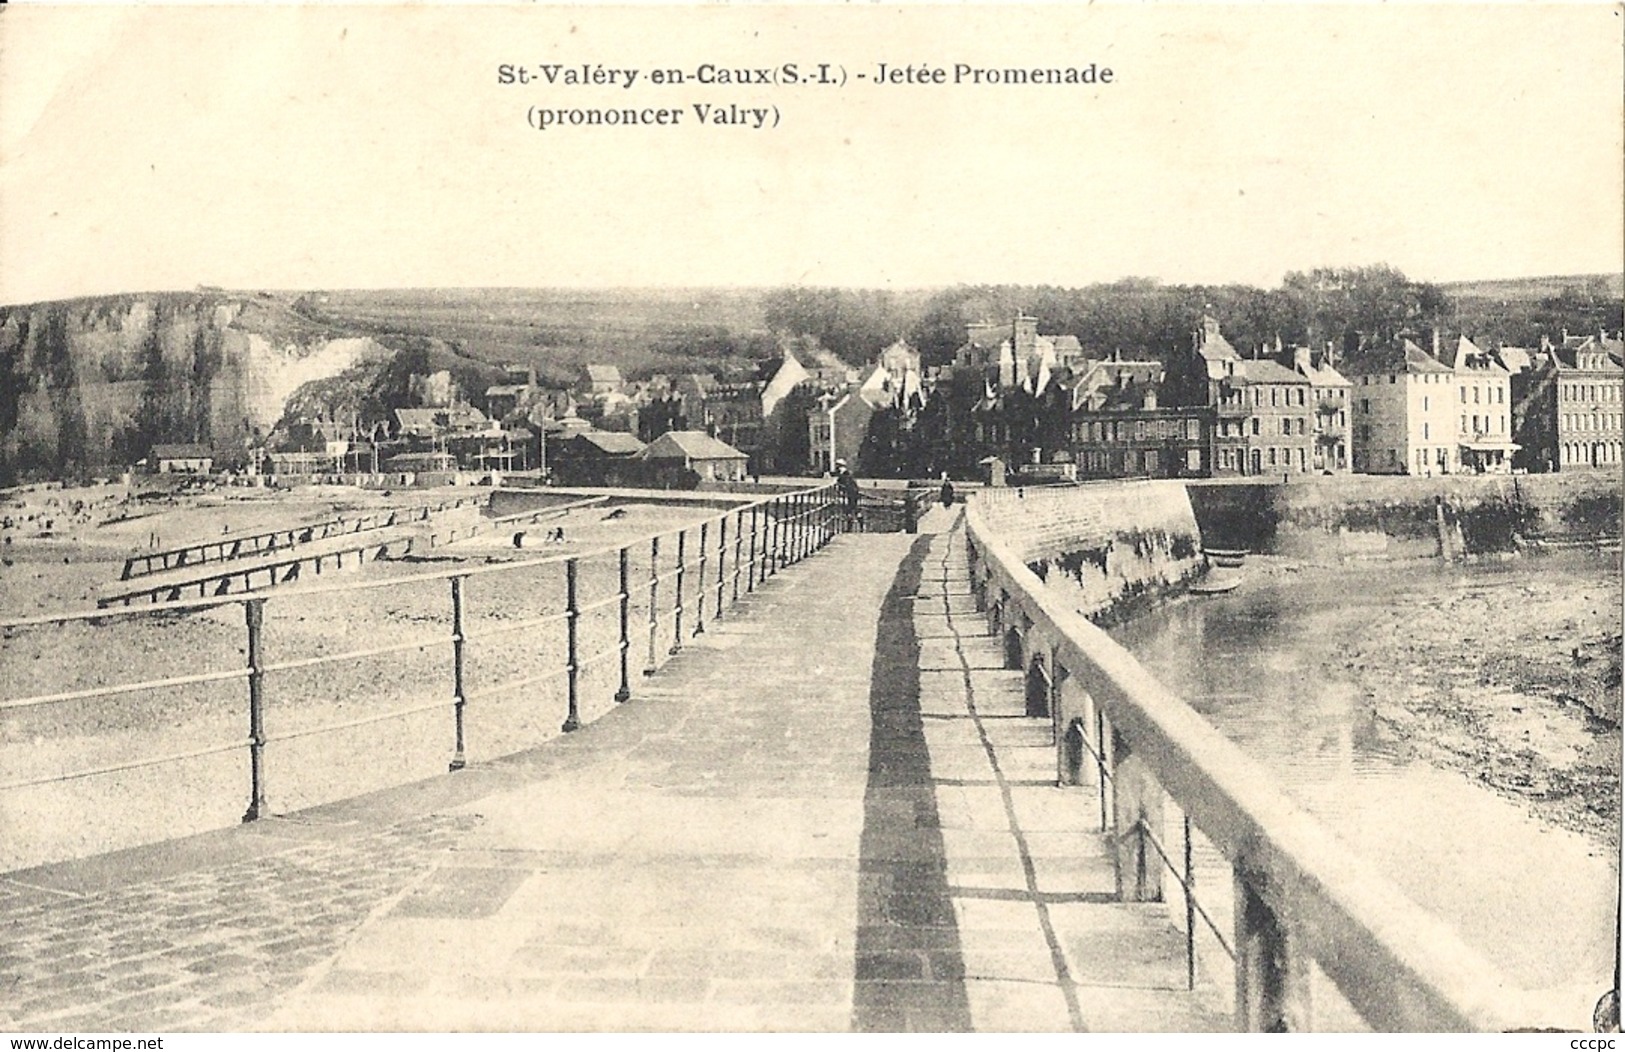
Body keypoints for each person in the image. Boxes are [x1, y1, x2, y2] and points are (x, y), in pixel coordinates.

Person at [835, 460, 860, 528]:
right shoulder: (847, 473)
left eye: (837, 465)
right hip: (853, 491)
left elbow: (842, 481)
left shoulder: (844, 473)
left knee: (851, 507)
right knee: (853, 507)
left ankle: (851, 522)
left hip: (851, 492)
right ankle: (855, 520)